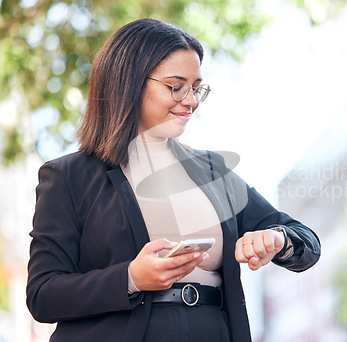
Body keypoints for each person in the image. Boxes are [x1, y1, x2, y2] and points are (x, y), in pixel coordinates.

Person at [26, 18, 321, 342]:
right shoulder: (70, 177)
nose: (192, 100)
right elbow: (43, 294)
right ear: (130, 82)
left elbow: (305, 240)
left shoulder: (213, 172)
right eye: (176, 86)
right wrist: (131, 277)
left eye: (197, 88)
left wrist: (277, 240)